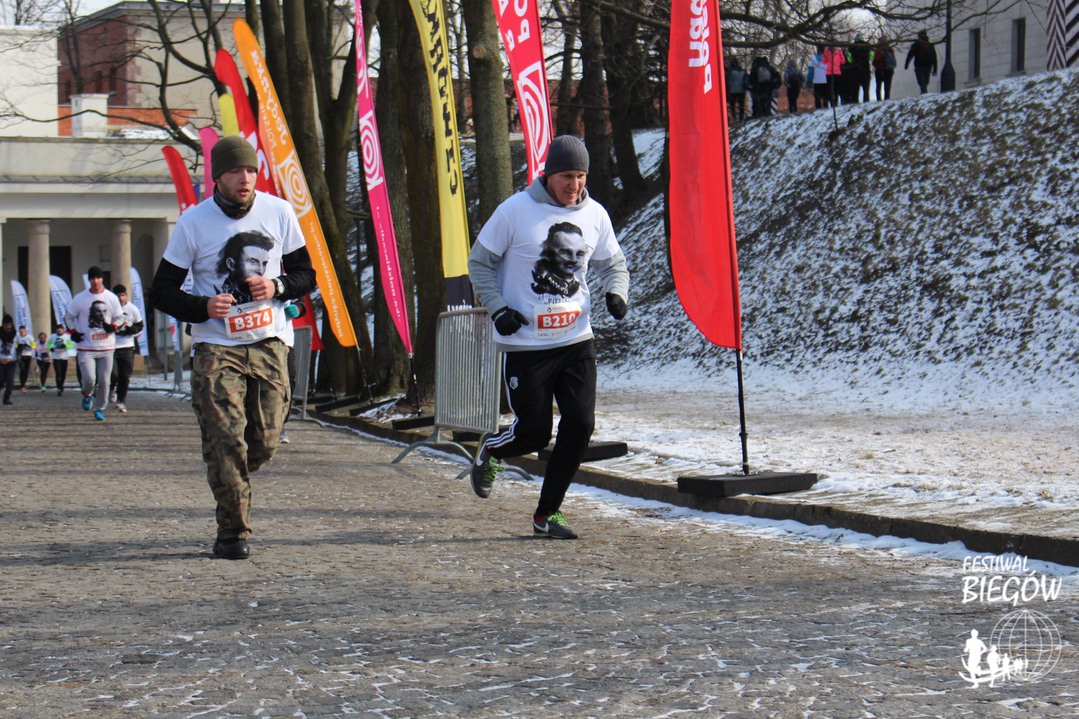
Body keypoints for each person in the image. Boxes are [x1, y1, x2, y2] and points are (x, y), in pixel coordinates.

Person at [149, 135, 316, 561]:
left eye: (251, 170)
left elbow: (306, 274)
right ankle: (232, 533)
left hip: (269, 342)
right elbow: (162, 291)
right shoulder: (194, 223)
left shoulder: (279, 212)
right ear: (217, 176)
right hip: (216, 346)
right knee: (226, 438)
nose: (245, 178)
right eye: (235, 171)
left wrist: (277, 286)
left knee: (264, 441)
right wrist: (202, 307)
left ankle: (228, 473)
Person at [467, 135, 630, 539]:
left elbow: (613, 264)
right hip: (526, 345)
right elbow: (479, 263)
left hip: (576, 341)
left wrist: (616, 293)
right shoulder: (515, 211)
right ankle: (493, 449)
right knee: (534, 433)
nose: (574, 185)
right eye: (566, 177)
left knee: (580, 424)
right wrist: (498, 308)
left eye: (580, 176)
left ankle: (547, 514)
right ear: (549, 174)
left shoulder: (595, 214)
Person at [66, 265, 124, 421]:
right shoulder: (80, 298)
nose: (95, 281)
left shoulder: (111, 298)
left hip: (106, 347)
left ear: (102, 279)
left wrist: (113, 326)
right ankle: (87, 394)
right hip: (86, 347)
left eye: (98, 278)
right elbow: (69, 317)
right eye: (92, 278)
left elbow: (120, 317)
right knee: (89, 379)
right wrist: (73, 332)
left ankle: (99, 408)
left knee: (105, 381)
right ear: (89, 280)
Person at [108, 283, 144, 413]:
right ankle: (112, 388)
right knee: (113, 373)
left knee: (125, 375)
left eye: (123, 295)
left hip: (127, 346)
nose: (121, 298)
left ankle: (121, 400)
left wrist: (130, 330)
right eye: (118, 296)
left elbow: (140, 326)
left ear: (126, 296)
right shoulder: (109, 309)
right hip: (111, 346)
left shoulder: (132, 309)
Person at [48, 325, 74, 395]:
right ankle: (59, 388)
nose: (59, 330)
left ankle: (61, 386)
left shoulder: (67, 336)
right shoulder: (53, 336)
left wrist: (66, 346)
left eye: (60, 329)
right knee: (58, 373)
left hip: (64, 358)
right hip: (56, 358)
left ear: (63, 330)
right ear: (56, 330)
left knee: (63, 374)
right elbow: (48, 343)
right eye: (58, 329)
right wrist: (51, 348)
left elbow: (72, 344)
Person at [848, 35, 873, 103]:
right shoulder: (868, 46)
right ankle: (866, 101)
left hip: (855, 70)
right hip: (865, 69)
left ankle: (855, 102)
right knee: (866, 89)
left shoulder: (852, 46)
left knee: (855, 89)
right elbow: (871, 57)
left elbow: (849, 59)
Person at [873, 36, 897, 101]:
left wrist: (875, 64)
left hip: (880, 69)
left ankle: (879, 100)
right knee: (887, 86)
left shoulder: (879, 50)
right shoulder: (890, 49)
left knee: (878, 86)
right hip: (889, 69)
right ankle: (887, 98)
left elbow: (876, 60)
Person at [0, 315, 17, 405]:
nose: (8, 327)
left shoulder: (16, 334)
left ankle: (6, 399)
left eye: (9, 325)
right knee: (1, 380)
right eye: (6, 325)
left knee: (10, 381)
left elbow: (19, 347)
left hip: (11, 361)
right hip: (1, 361)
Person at [725, 58, 747, 122]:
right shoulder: (743, 71)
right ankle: (741, 118)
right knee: (741, 105)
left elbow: (728, 82)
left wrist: (728, 90)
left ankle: (734, 117)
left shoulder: (731, 72)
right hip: (741, 90)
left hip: (733, 91)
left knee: (732, 105)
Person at [15, 325, 35, 392]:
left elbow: (34, 345)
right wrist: (18, 347)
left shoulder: (29, 337)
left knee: (26, 370)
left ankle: (24, 383)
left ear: (25, 331)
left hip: (28, 355)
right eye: (20, 331)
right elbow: (15, 344)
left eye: (23, 331)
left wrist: (28, 346)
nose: (21, 332)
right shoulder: (17, 337)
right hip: (21, 355)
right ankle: (22, 385)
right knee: (22, 370)